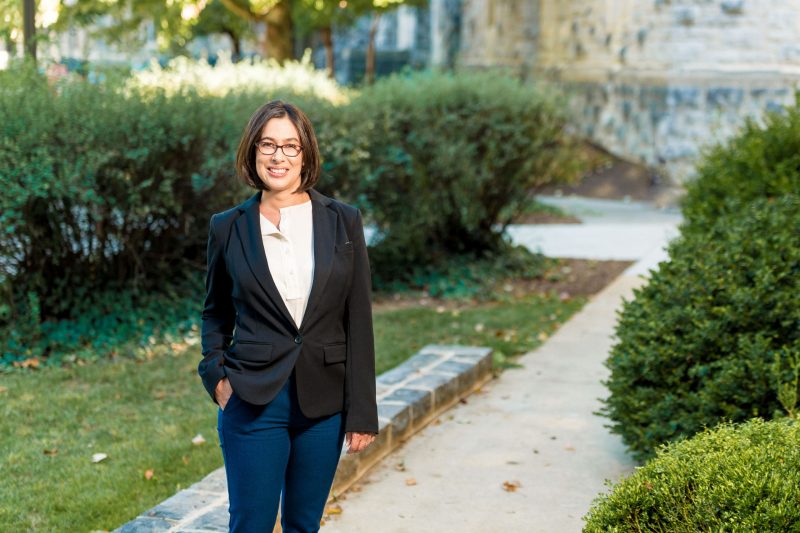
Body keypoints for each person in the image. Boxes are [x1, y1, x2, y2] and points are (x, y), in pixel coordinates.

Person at [198, 99, 378, 533]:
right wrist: (216, 376)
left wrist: (362, 412)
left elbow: (359, 318)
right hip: (253, 397)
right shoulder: (229, 226)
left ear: (306, 154)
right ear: (253, 152)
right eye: (268, 145)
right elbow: (215, 312)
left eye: (290, 146)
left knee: (303, 525)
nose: (278, 156)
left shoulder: (343, 221)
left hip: (324, 404)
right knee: (250, 524)